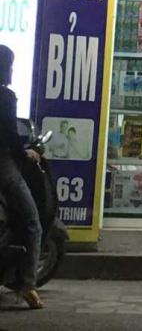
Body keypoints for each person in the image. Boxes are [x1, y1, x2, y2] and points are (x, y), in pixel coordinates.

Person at [0, 45, 42, 309]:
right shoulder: (6, 97)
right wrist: (25, 153)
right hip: (3, 165)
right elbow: (9, 134)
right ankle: (28, 285)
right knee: (32, 223)